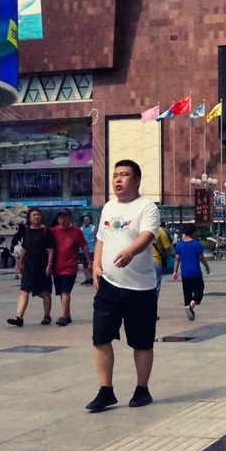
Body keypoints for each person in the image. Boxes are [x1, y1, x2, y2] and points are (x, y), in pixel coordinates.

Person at [86, 160, 160, 412]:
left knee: (141, 342)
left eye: (124, 175)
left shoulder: (146, 207)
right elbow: (101, 239)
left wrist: (130, 251)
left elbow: (147, 235)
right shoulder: (108, 208)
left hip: (141, 288)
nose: (118, 180)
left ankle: (142, 389)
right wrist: (96, 266)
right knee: (100, 337)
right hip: (108, 286)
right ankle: (105, 391)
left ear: (137, 180)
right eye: (115, 176)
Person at [6, 208, 55, 326]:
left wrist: (49, 265)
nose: (36, 217)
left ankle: (47, 316)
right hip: (29, 265)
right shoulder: (27, 231)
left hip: (42, 264)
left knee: (45, 292)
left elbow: (50, 250)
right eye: (34, 215)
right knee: (24, 291)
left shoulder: (45, 231)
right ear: (29, 217)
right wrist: (20, 262)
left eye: (38, 215)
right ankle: (19, 317)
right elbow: (24, 248)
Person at [51, 209, 91, 327]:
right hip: (57, 267)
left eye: (64, 217)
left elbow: (84, 247)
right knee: (61, 293)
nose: (62, 220)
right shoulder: (54, 231)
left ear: (70, 218)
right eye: (60, 217)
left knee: (65, 290)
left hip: (70, 266)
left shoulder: (76, 231)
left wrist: (89, 262)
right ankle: (67, 315)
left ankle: (63, 316)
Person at [172, 224, 211, 320]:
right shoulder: (196, 244)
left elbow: (177, 258)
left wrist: (175, 271)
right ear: (193, 233)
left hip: (184, 273)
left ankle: (189, 310)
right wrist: (206, 267)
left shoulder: (179, 245)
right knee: (199, 290)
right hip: (195, 272)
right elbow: (201, 257)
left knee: (187, 293)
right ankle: (191, 307)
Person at [151, 222, 173, 302]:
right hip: (156, 261)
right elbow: (168, 249)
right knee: (156, 286)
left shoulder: (140, 230)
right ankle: (152, 310)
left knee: (142, 286)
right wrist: (165, 255)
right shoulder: (159, 231)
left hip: (141, 262)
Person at [80, 215, 97, 285]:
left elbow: (96, 238)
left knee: (91, 263)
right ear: (83, 221)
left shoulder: (93, 228)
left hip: (92, 248)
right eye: (85, 220)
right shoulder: (81, 229)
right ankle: (87, 278)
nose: (87, 221)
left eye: (88, 219)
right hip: (83, 248)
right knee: (85, 264)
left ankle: (92, 277)